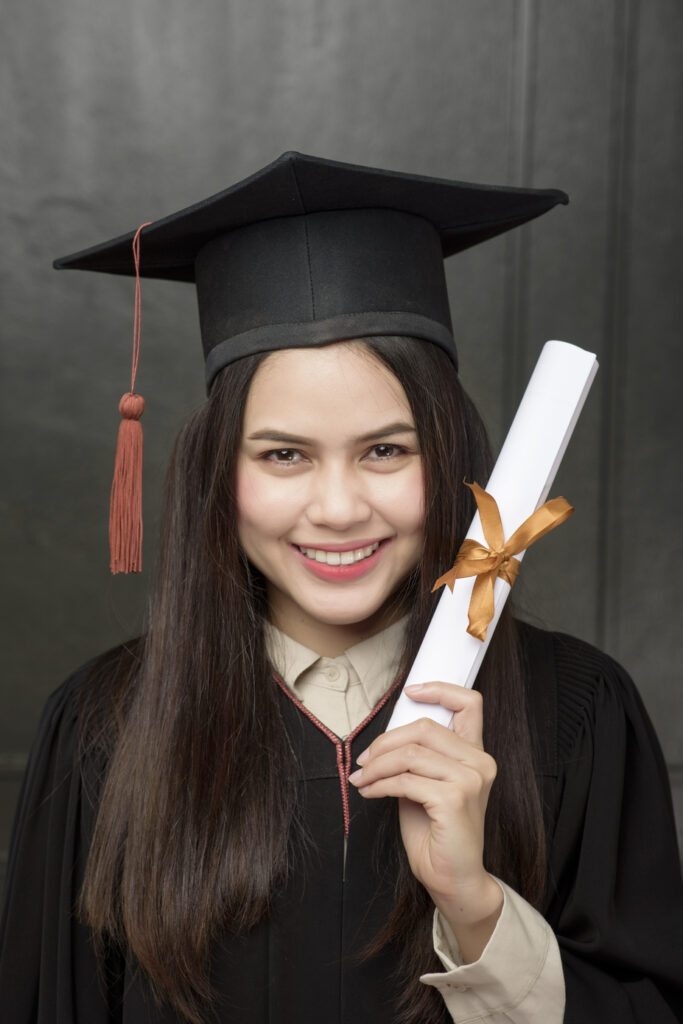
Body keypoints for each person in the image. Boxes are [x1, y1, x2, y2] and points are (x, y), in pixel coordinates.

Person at [1, 152, 681, 1024]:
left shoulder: (576, 714)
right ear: (219, 475)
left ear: (448, 460)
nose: (336, 507)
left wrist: (474, 907)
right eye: (283, 454)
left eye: (385, 451)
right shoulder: (105, 729)